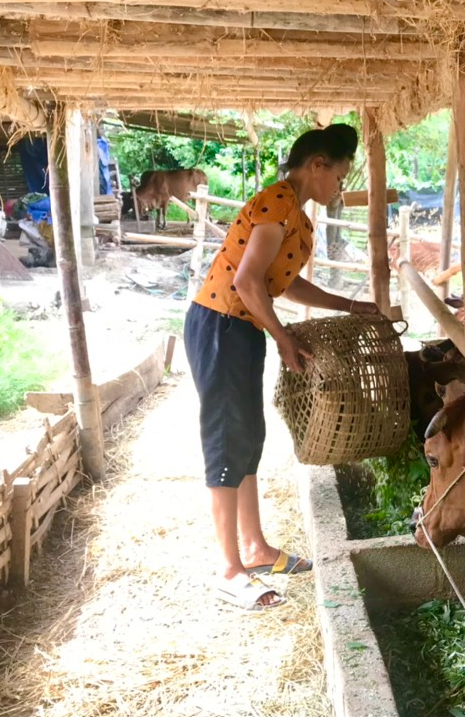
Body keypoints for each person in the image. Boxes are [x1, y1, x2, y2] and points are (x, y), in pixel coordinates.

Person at [184, 124, 379, 610]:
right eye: (339, 174)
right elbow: (249, 282)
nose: (339, 185)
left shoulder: (295, 214)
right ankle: (229, 569)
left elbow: (282, 283)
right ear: (317, 166)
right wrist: (284, 336)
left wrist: (350, 307)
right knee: (227, 439)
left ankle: (254, 547)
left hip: (240, 328)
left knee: (249, 436)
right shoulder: (276, 202)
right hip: (221, 325)